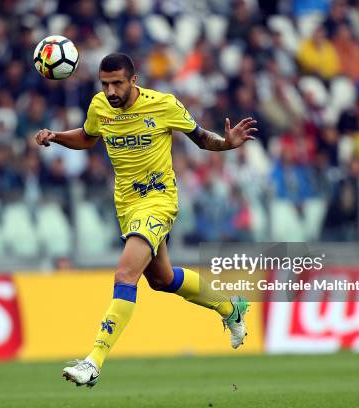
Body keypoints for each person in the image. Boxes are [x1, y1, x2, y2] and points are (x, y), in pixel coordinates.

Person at [34, 53, 258, 387]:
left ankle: (93, 361)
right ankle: (231, 308)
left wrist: (227, 143)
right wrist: (56, 136)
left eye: (117, 83)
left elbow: (200, 138)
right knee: (162, 279)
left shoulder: (164, 104)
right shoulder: (99, 107)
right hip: (126, 205)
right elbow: (87, 136)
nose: (110, 91)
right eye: (105, 84)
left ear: (134, 80)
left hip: (158, 200)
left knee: (126, 273)